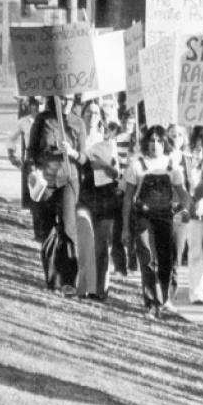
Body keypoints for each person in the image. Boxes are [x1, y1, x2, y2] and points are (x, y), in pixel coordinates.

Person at [121, 125, 191, 319]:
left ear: (165, 143)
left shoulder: (173, 166)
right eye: (151, 140)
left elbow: (182, 192)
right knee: (147, 258)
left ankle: (165, 299)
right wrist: (125, 227)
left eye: (159, 141)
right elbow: (128, 197)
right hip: (142, 216)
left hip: (165, 217)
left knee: (165, 260)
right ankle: (151, 304)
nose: (155, 144)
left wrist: (183, 208)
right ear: (146, 142)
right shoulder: (136, 165)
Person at [27, 95, 89, 294]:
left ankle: (70, 280)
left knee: (69, 228)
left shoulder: (78, 122)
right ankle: (53, 280)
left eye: (71, 98)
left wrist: (72, 153)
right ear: (55, 98)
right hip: (46, 180)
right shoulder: (43, 120)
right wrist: (33, 171)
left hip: (69, 179)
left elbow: (84, 156)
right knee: (48, 231)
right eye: (63, 97)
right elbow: (31, 151)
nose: (67, 101)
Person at [78, 102, 122, 301]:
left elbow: (116, 173)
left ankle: (100, 290)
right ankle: (83, 286)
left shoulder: (108, 142)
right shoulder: (75, 137)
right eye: (89, 112)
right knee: (85, 240)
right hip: (83, 192)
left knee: (102, 243)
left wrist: (102, 165)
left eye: (96, 112)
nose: (92, 115)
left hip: (104, 196)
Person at [169, 124, 203, 306]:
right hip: (194, 211)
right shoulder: (187, 162)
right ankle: (197, 292)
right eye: (197, 150)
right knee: (195, 250)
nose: (200, 154)